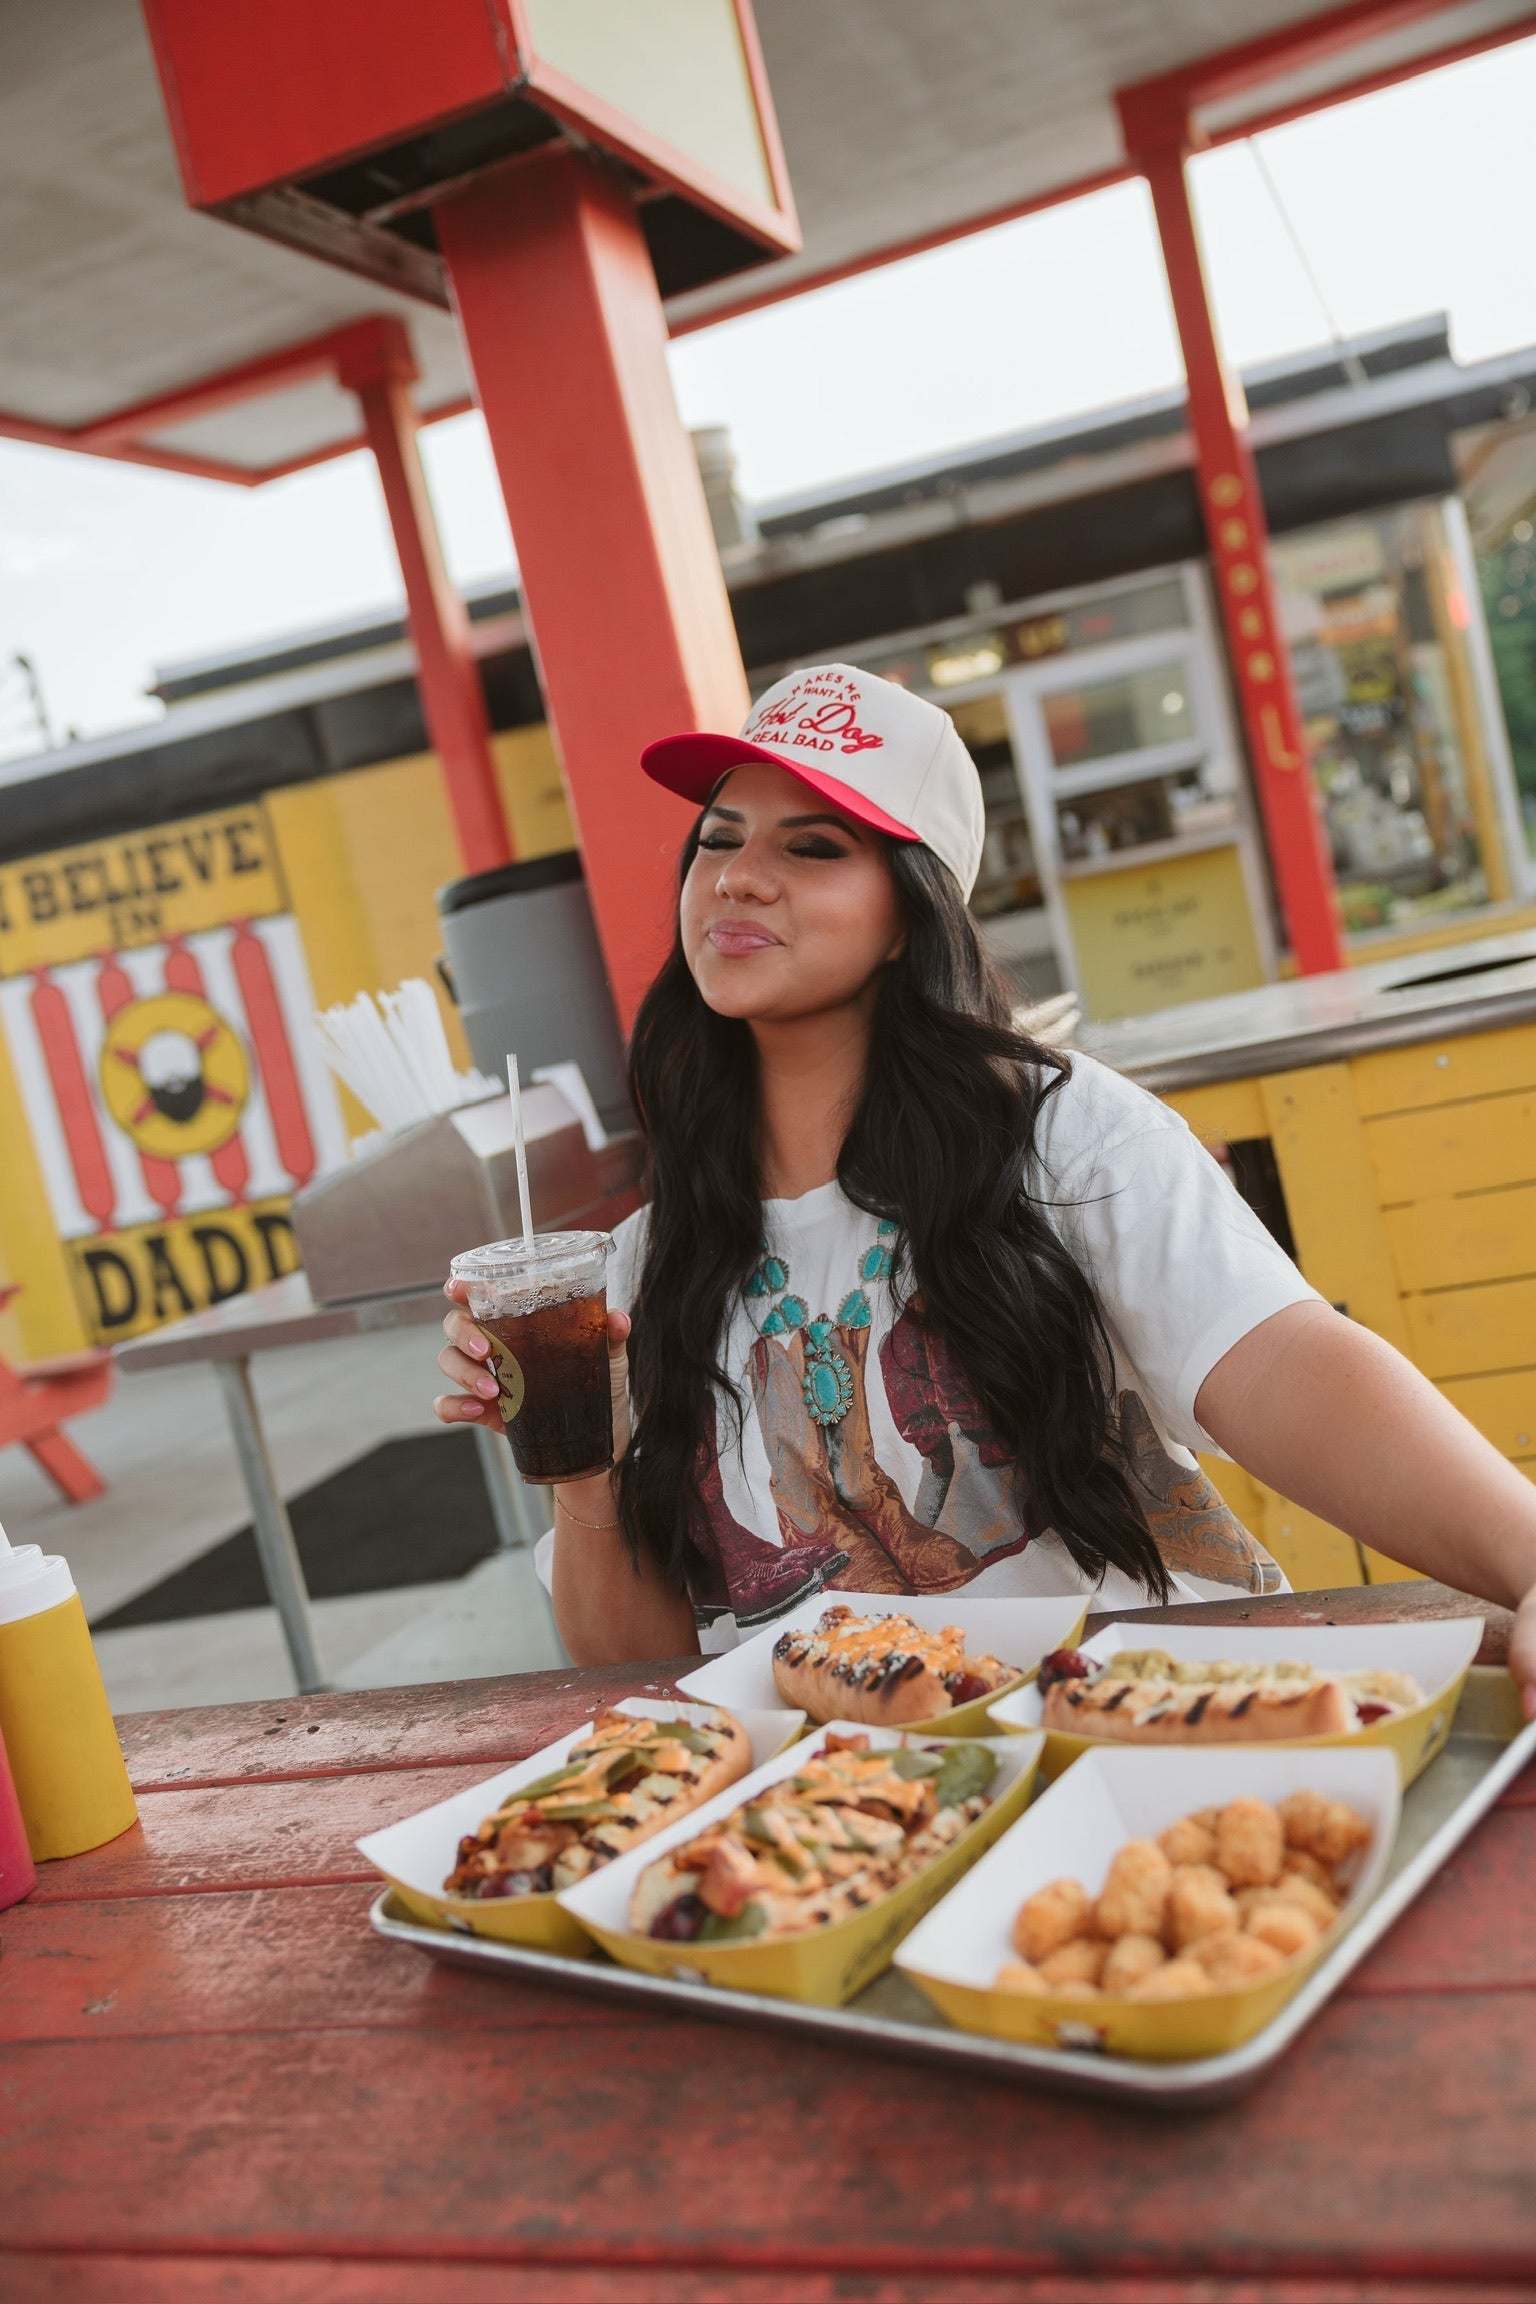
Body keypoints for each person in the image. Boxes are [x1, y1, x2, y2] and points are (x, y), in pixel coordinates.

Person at [435, 662, 1536, 1706]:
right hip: (848, 1818)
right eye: (718, 838)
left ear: (909, 912)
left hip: (1131, 1735)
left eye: (813, 848)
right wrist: (583, 1476)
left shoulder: (1059, 1134)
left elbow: (1284, 1360)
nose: (738, 875)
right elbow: (643, 1668)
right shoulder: (646, 1258)